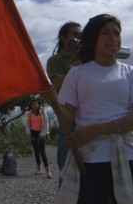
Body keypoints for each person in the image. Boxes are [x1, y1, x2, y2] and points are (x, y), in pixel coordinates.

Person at [45, 14, 133, 203]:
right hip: (90, 160)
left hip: (129, 157)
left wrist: (94, 130)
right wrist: (54, 102)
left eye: (116, 32)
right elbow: (67, 119)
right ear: (92, 39)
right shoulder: (77, 73)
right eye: (105, 32)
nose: (113, 37)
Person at [46, 21, 81, 186]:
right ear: (64, 37)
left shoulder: (88, 57)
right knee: (66, 165)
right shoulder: (56, 60)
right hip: (70, 118)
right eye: (74, 34)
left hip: (93, 115)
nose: (78, 39)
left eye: (80, 35)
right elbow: (61, 86)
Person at [25, 98, 52, 178]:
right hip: (33, 133)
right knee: (36, 151)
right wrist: (29, 134)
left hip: (41, 133)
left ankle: (48, 171)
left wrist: (43, 134)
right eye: (33, 104)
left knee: (42, 152)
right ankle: (39, 169)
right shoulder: (29, 114)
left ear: (38, 105)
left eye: (36, 103)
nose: (34, 105)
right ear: (31, 106)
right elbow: (27, 124)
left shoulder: (43, 113)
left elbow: (46, 123)